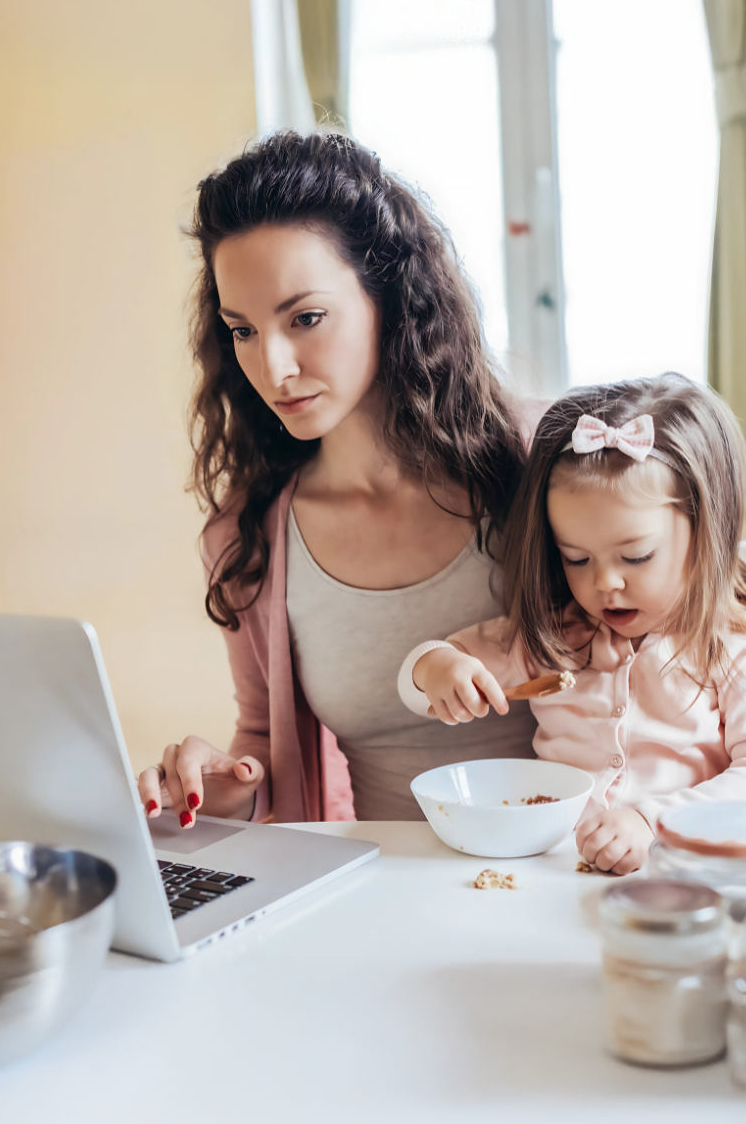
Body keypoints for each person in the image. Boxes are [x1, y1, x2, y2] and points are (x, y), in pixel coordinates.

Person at [137, 130, 538, 828]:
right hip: (380, 900)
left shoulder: (543, 462)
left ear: (392, 295)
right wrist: (218, 784)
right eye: (244, 330)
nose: (274, 368)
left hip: (576, 882)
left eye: (306, 318)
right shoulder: (248, 537)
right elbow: (263, 744)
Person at [400, 373, 746, 875]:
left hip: (679, 875)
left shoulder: (726, 650)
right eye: (576, 559)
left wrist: (651, 821)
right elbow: (425, 672)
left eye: (636, 556)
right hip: (549, 873)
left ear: (708, 531)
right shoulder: (556, 639)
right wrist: (436, 669)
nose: (605, 583)